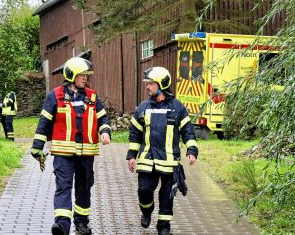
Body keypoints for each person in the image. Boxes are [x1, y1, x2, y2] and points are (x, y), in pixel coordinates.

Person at [31, 57, 111, 235]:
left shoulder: (92, 96)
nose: (85, 78)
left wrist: (105, 131)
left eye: (86, 75)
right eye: (82, 75)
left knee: (84, 189)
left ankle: (81, 224)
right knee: (64, 187)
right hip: (63, 153)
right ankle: (62, 225)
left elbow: (103, 117)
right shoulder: (55, 96)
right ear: (71, 76)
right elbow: (44, 122)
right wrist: (37, 146)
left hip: (86, 155)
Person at [126, 66, 198, 235]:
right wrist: (131, 156)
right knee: (144, 191)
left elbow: (188, 130)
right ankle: (146, 211)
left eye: (151, 83)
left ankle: (164, 227)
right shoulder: (142, 108)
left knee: (167, 196)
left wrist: (192, 150)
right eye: (147, 83)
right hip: (147, 160)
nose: (147, 86)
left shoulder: (177, 107)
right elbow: (134, 133)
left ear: (161, 85)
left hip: (169, 161)